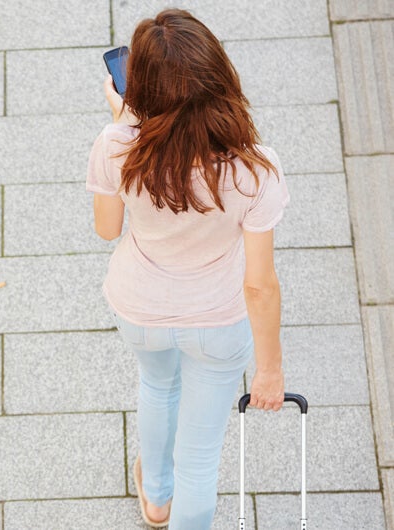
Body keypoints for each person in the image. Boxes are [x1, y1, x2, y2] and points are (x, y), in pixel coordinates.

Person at [85, 9, 289, 529]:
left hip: (140, 307)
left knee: (157, 388)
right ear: (219, 77)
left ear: (143, 90)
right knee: (200, 457)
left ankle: (155, 498)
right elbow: (260, 286)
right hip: (220, 320)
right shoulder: (254, 167)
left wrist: (122, 127)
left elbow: (108, 230)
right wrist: (269, 371)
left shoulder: (116, 146)